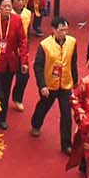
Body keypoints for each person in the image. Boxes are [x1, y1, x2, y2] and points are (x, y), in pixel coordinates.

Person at [29, 17, 78, 153]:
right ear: (54, 30)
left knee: (66, 114)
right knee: (43, 106)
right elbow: (38, 66)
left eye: (66, 30)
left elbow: (73, 62)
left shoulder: (72, 42)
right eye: (61, 30)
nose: (64, 33)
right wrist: (42, 85)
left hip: (65, 84)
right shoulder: (45, 45)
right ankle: (36, 124)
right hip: (49, 84)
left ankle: (66, 144)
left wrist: (75, 81)